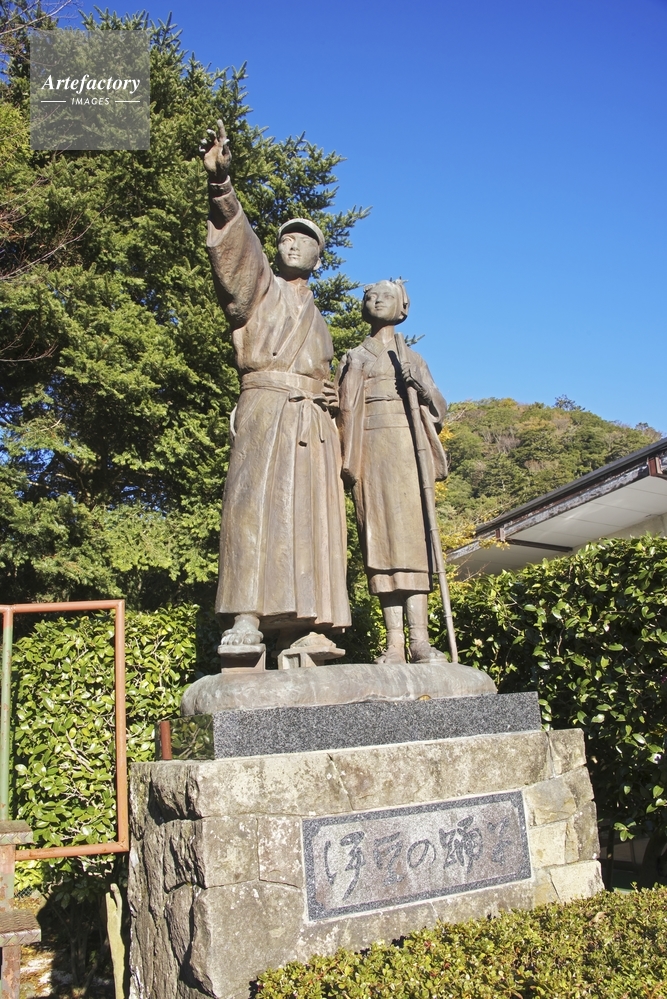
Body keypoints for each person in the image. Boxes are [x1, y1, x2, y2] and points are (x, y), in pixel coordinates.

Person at [199, 120, 350, 649]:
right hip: (266, 406)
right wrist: (222, 186)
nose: (291, 244)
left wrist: (334, 397)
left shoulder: (322, 323)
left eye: (303, 240)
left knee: (306, 519)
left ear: (318, 257)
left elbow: (329, 378)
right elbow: (238, 251)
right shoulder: (262, 289)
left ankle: (307, 624)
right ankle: (246, 616)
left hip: (312, 424)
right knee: (252, 506)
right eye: (285, 238)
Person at [336, 279, 448, 664]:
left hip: (405, 446)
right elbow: (338, 407)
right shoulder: (354, 356)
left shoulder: (411, 357)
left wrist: (422, 389)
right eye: (371, 296)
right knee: (379, 543)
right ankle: (395, 644)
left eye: (386, 296)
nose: (377, 300)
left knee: (412, 543)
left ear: (402, 306)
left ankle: (420, 639)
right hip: (368, 449)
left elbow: (439, 407)